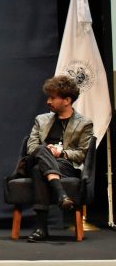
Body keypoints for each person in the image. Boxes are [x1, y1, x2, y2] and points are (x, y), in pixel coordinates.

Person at [23, 75, 93, 242]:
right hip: (37, 157)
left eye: (52, 98)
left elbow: (82, 153)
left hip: (65, 165)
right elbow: (31, 147)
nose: (48, 101)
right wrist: (48, 151)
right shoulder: (41, 120)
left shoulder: (84, 124)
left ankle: (41, 228)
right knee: (41, 149)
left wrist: (60, 153)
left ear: (67, 100)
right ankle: (61, 194)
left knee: (39, 170)